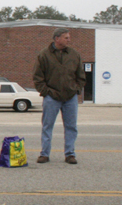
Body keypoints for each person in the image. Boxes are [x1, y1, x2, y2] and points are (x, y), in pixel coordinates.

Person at [32, 27, 86, 165]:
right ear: (57, 39)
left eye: (69, 37)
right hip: (51, 97)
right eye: (66, 37)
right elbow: (38, 77)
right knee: (47, 126)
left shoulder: (74, 54)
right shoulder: (44, 55)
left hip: (70, 97)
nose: (69, 40)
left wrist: (76, 90)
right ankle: (44, 154)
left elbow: (81, 76)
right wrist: (46, 92)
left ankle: (70, 154)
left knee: (71, 127)